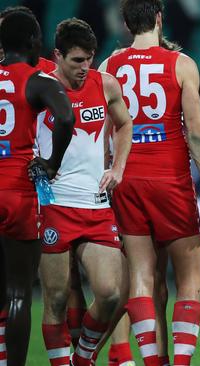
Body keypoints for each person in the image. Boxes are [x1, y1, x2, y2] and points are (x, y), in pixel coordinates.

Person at [99, 1, 200, 365]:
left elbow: (106, 132)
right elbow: (196, 133)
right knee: (191, 280)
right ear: (159, 18)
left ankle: (152, 362)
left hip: (127, 179)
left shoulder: (110, 67)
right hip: (170, 179)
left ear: (124, 23)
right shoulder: (181, 64)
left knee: (140, 277)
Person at [36, 18, 133, 366]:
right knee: (57, 299)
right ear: (57, 55)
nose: (84, 68)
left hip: (95, 204)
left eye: (89, 59)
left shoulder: (105, 83)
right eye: (77, 60)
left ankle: (84, 356)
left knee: (110, 294)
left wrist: (117, 167)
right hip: (53, 205)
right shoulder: (39, 89)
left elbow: (125, 124)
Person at [0, 10, 75, 366]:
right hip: (16, 190)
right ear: (32, 42)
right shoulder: (37, 80)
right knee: (17, 293)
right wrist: (52, 163)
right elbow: (65, 117)